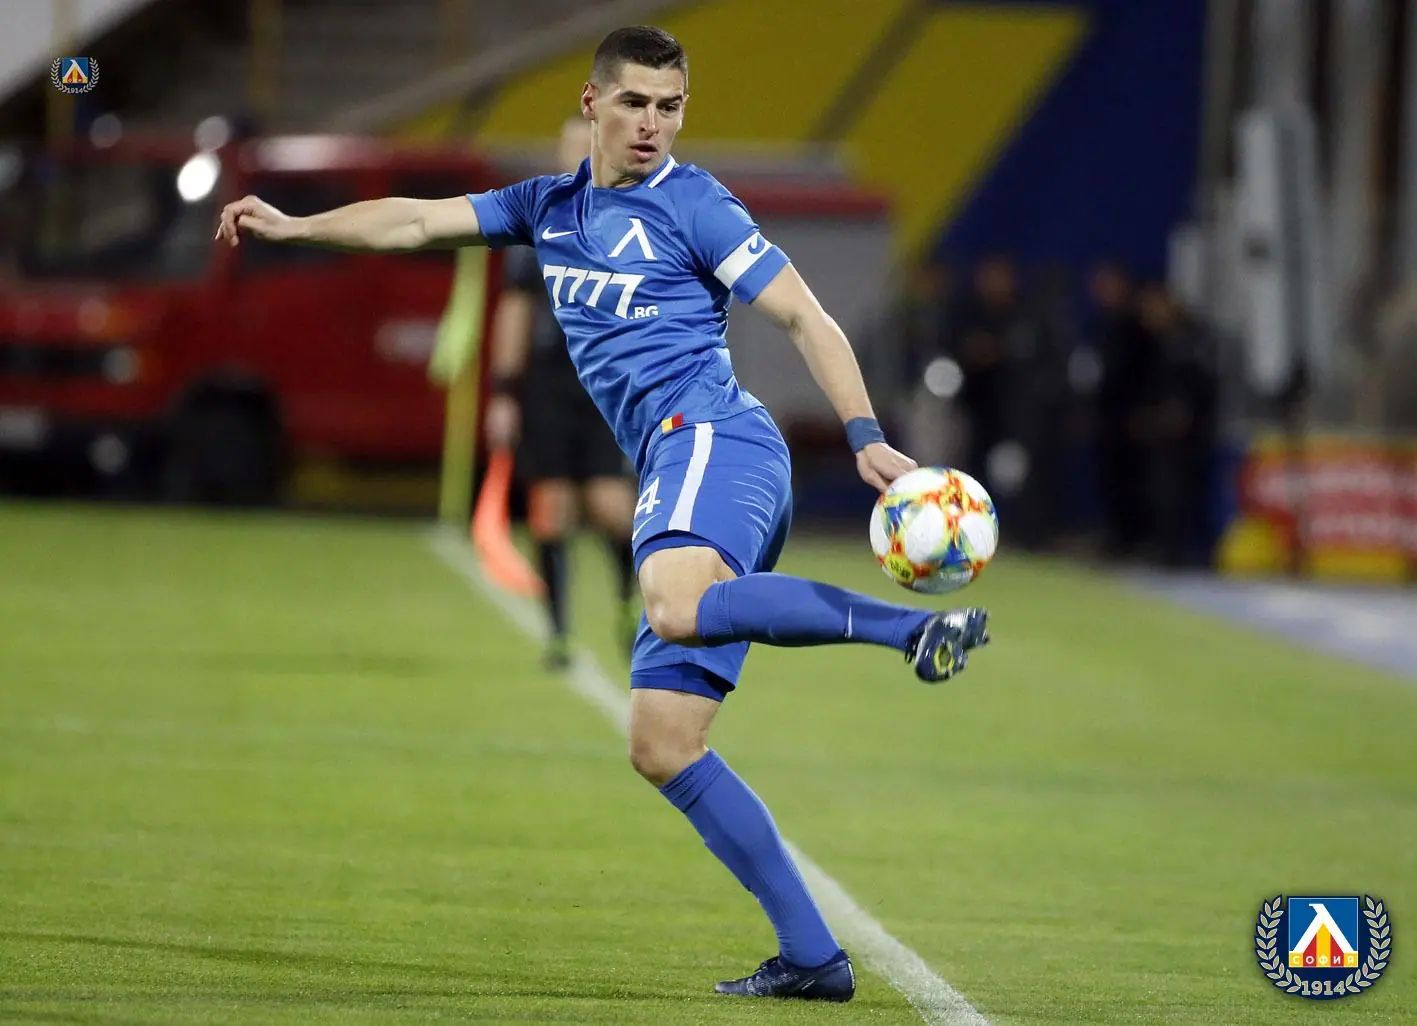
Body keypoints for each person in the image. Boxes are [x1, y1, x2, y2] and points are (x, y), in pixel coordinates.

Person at [215, 25, 991, 1003]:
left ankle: (908, 631)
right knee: (662, 743)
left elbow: (804, 313)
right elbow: (412, 222)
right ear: (592, 103)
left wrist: (863, 432)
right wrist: (295, 228)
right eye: (634, 103)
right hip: (680, 459)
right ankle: (812, 957)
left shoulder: (696, 204)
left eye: (670, 107)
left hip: (714, 440)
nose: (652, 124)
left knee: (668, 603)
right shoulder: (545, 207)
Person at [484, 118, 639, 669]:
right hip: (548, 382)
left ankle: (629, 604)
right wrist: (504, 392)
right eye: (572, 147)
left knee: (612, 506)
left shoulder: (629, 223)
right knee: (551, 508)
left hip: (605, 383)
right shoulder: (539, 225)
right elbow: (515, 309)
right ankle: (558, 633)